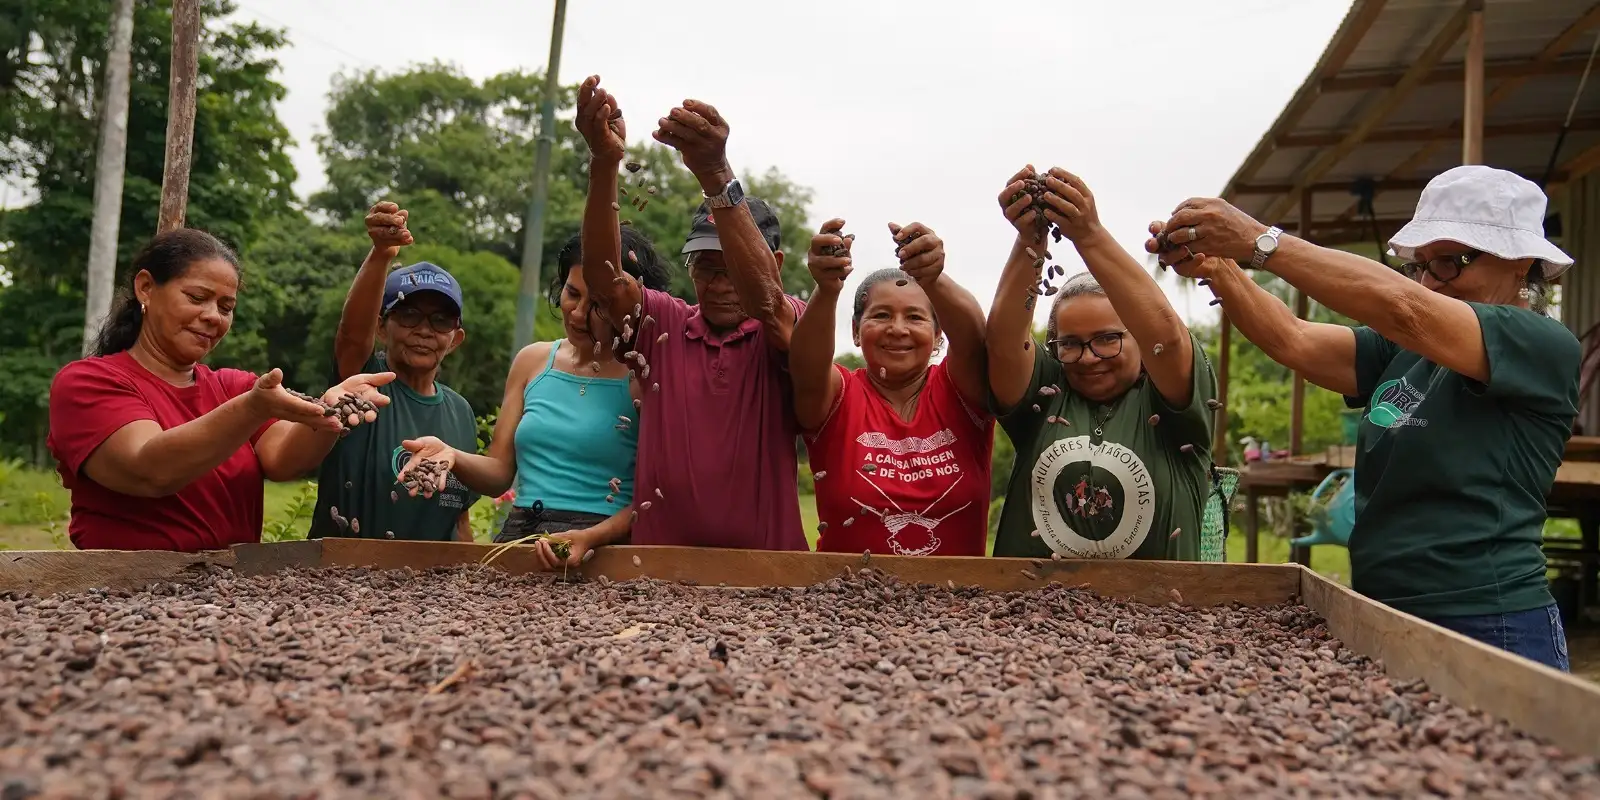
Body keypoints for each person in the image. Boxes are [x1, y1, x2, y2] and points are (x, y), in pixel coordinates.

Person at [1148, 165, 1577, 671]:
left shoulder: (1539, 343)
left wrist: (1259, 241)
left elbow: (1404, 307)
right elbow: (1295, 339)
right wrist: (1220, 268)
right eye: (1422, 265)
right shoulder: (1408, 350)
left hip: (1487, 618)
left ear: (1520, 261)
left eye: (1452, 262)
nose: (1431, 282)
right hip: (1382, 609)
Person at [571, 75, 808, 551]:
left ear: (774, 265)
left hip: (771, 577)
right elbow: (603, 282)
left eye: (732, 270)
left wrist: (716, 175)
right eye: (705, 267)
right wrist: (604, 162)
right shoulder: (664, 325)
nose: (720, 285)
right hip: (656, 569)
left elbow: (766, 299)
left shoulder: (788, 323)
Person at [48, 229, 393, 552]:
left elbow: (284, 460)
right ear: (146, 288)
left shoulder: (233, 387)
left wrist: (330, 411)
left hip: (229, 594)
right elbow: (149, 470)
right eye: (197, 298)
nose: (214, 316)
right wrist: (251, 409)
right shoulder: (88, 382)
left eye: (226, 307)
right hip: (124, 595)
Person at [399, 229, 672, 568]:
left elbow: (658, 497)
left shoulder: (644, 376)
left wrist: (592, 537)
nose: (576, 313)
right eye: (572, 294)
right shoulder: (532, 361)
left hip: (601, 551)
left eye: (597, 305)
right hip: (520, 537)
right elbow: (500, 473)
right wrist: (451, 454)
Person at [988, 166, 1217, 560]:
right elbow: (1005, 343)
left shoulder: (1173, 399)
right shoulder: (1048, 392)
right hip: (1026, 614)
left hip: (1162, 616)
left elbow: (1167, 338)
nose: (1089, 357)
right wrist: (1031, 237)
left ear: (1139, 341)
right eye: (1071, 344)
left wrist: (1088, 233)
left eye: (1108, 339)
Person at [794, 219, 993, 555]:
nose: (898, 329)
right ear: (856, 331)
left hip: (962, 604)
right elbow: (805, 365)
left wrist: (933, 277)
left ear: (938, 335)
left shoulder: (960, 389)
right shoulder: (839, 394)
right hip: (843, 604)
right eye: (881, 315)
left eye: (915, 317)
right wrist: (827, 289)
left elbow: (976, 339)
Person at [308, 203, 479, 542]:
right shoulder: (361, 382)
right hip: (338, 582)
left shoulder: (461, 412)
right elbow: (351, 335)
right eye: (410, 316)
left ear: (455, 339)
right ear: (382, 329)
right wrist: (381, 253)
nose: (425, 330)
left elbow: (459, 518)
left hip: (434, 589)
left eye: (440, 320)